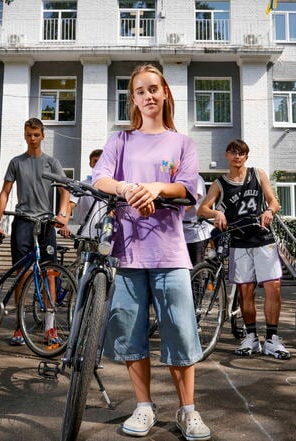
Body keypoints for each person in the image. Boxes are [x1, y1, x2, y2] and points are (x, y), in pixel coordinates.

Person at [92, 64, 211, 441]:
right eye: (140, 90)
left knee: (180, 331)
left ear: (165, 94)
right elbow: (101, 178)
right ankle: (143, 406)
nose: (148, 96)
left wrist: (156, 189)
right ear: (134, 99)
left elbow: (187, 189)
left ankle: (188, 411)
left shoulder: (182, 144)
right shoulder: (120, 141)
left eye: (154, 89)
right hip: (128, 253)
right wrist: (128, 189)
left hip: (170, 253)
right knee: (130, 331)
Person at [197, 139, 290, 360]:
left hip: (262, 237)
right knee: (245, 291)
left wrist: (269, 211)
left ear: (246, 156)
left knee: (273, 287)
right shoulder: (219, 183)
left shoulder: (257, 175)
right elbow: (202, 209)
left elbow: (274, 202)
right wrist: (216, 213)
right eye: (233, 152)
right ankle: (251, 337)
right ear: (227, 156)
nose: (238, 156)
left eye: (242, 153)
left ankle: (272, 339)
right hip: (238, 241)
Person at [0, 118, 70, 347]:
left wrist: (63, 215)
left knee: (51, 274)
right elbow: (5, 193)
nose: (32, 139)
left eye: (36, 134)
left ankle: (50, 327)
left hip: (45, 223)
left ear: (43, 135)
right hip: (23, 222)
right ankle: (19, 326)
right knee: (23, 275)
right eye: (28, 135)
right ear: (25, 136)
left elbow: (65, 191)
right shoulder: (17, 162)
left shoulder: (52, 163)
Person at [63, 148, 104, 241]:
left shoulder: (112, 186)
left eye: (101, 161)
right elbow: (69, 205)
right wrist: (64, 224)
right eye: (95, 161)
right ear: (90, 164)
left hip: (107, 236)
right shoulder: (82, 185)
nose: (98, 164)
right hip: (86, 236)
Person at [183, 175, 214, 266]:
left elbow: (191, 202)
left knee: (196, 268)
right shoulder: (174, 180)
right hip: (180, 232)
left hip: (196, 232)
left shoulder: (196, 179)